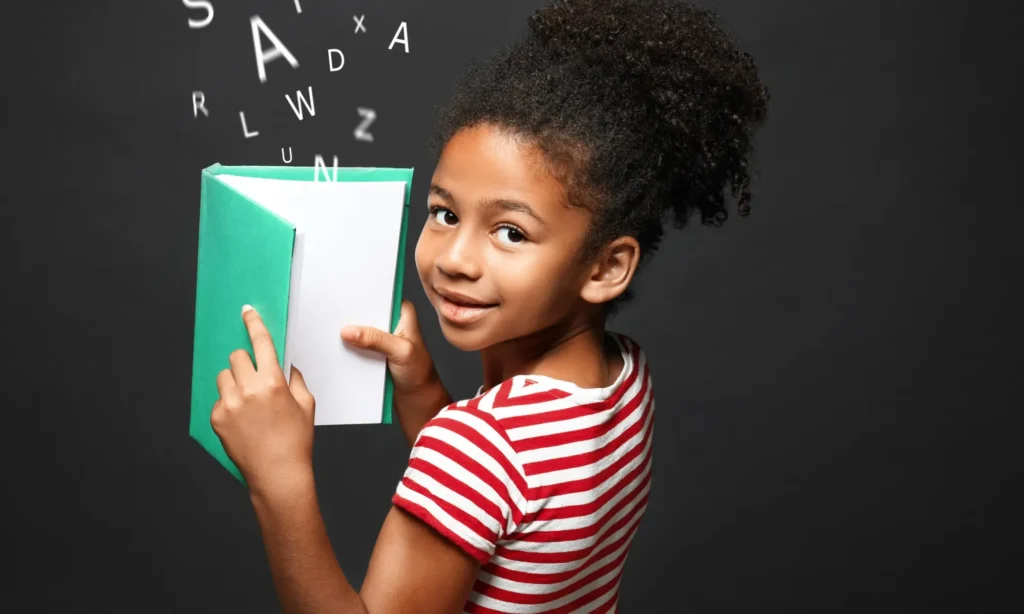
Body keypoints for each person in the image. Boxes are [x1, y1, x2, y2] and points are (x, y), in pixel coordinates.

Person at [208, 0, 769, 611]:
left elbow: (486, 472)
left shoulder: (478, 447)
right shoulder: (625, 380)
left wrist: (278, 480)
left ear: (606, 267)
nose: (455, 259)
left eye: (511, 233)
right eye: (445, 214)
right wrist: (422, 391)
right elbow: (508, 507)